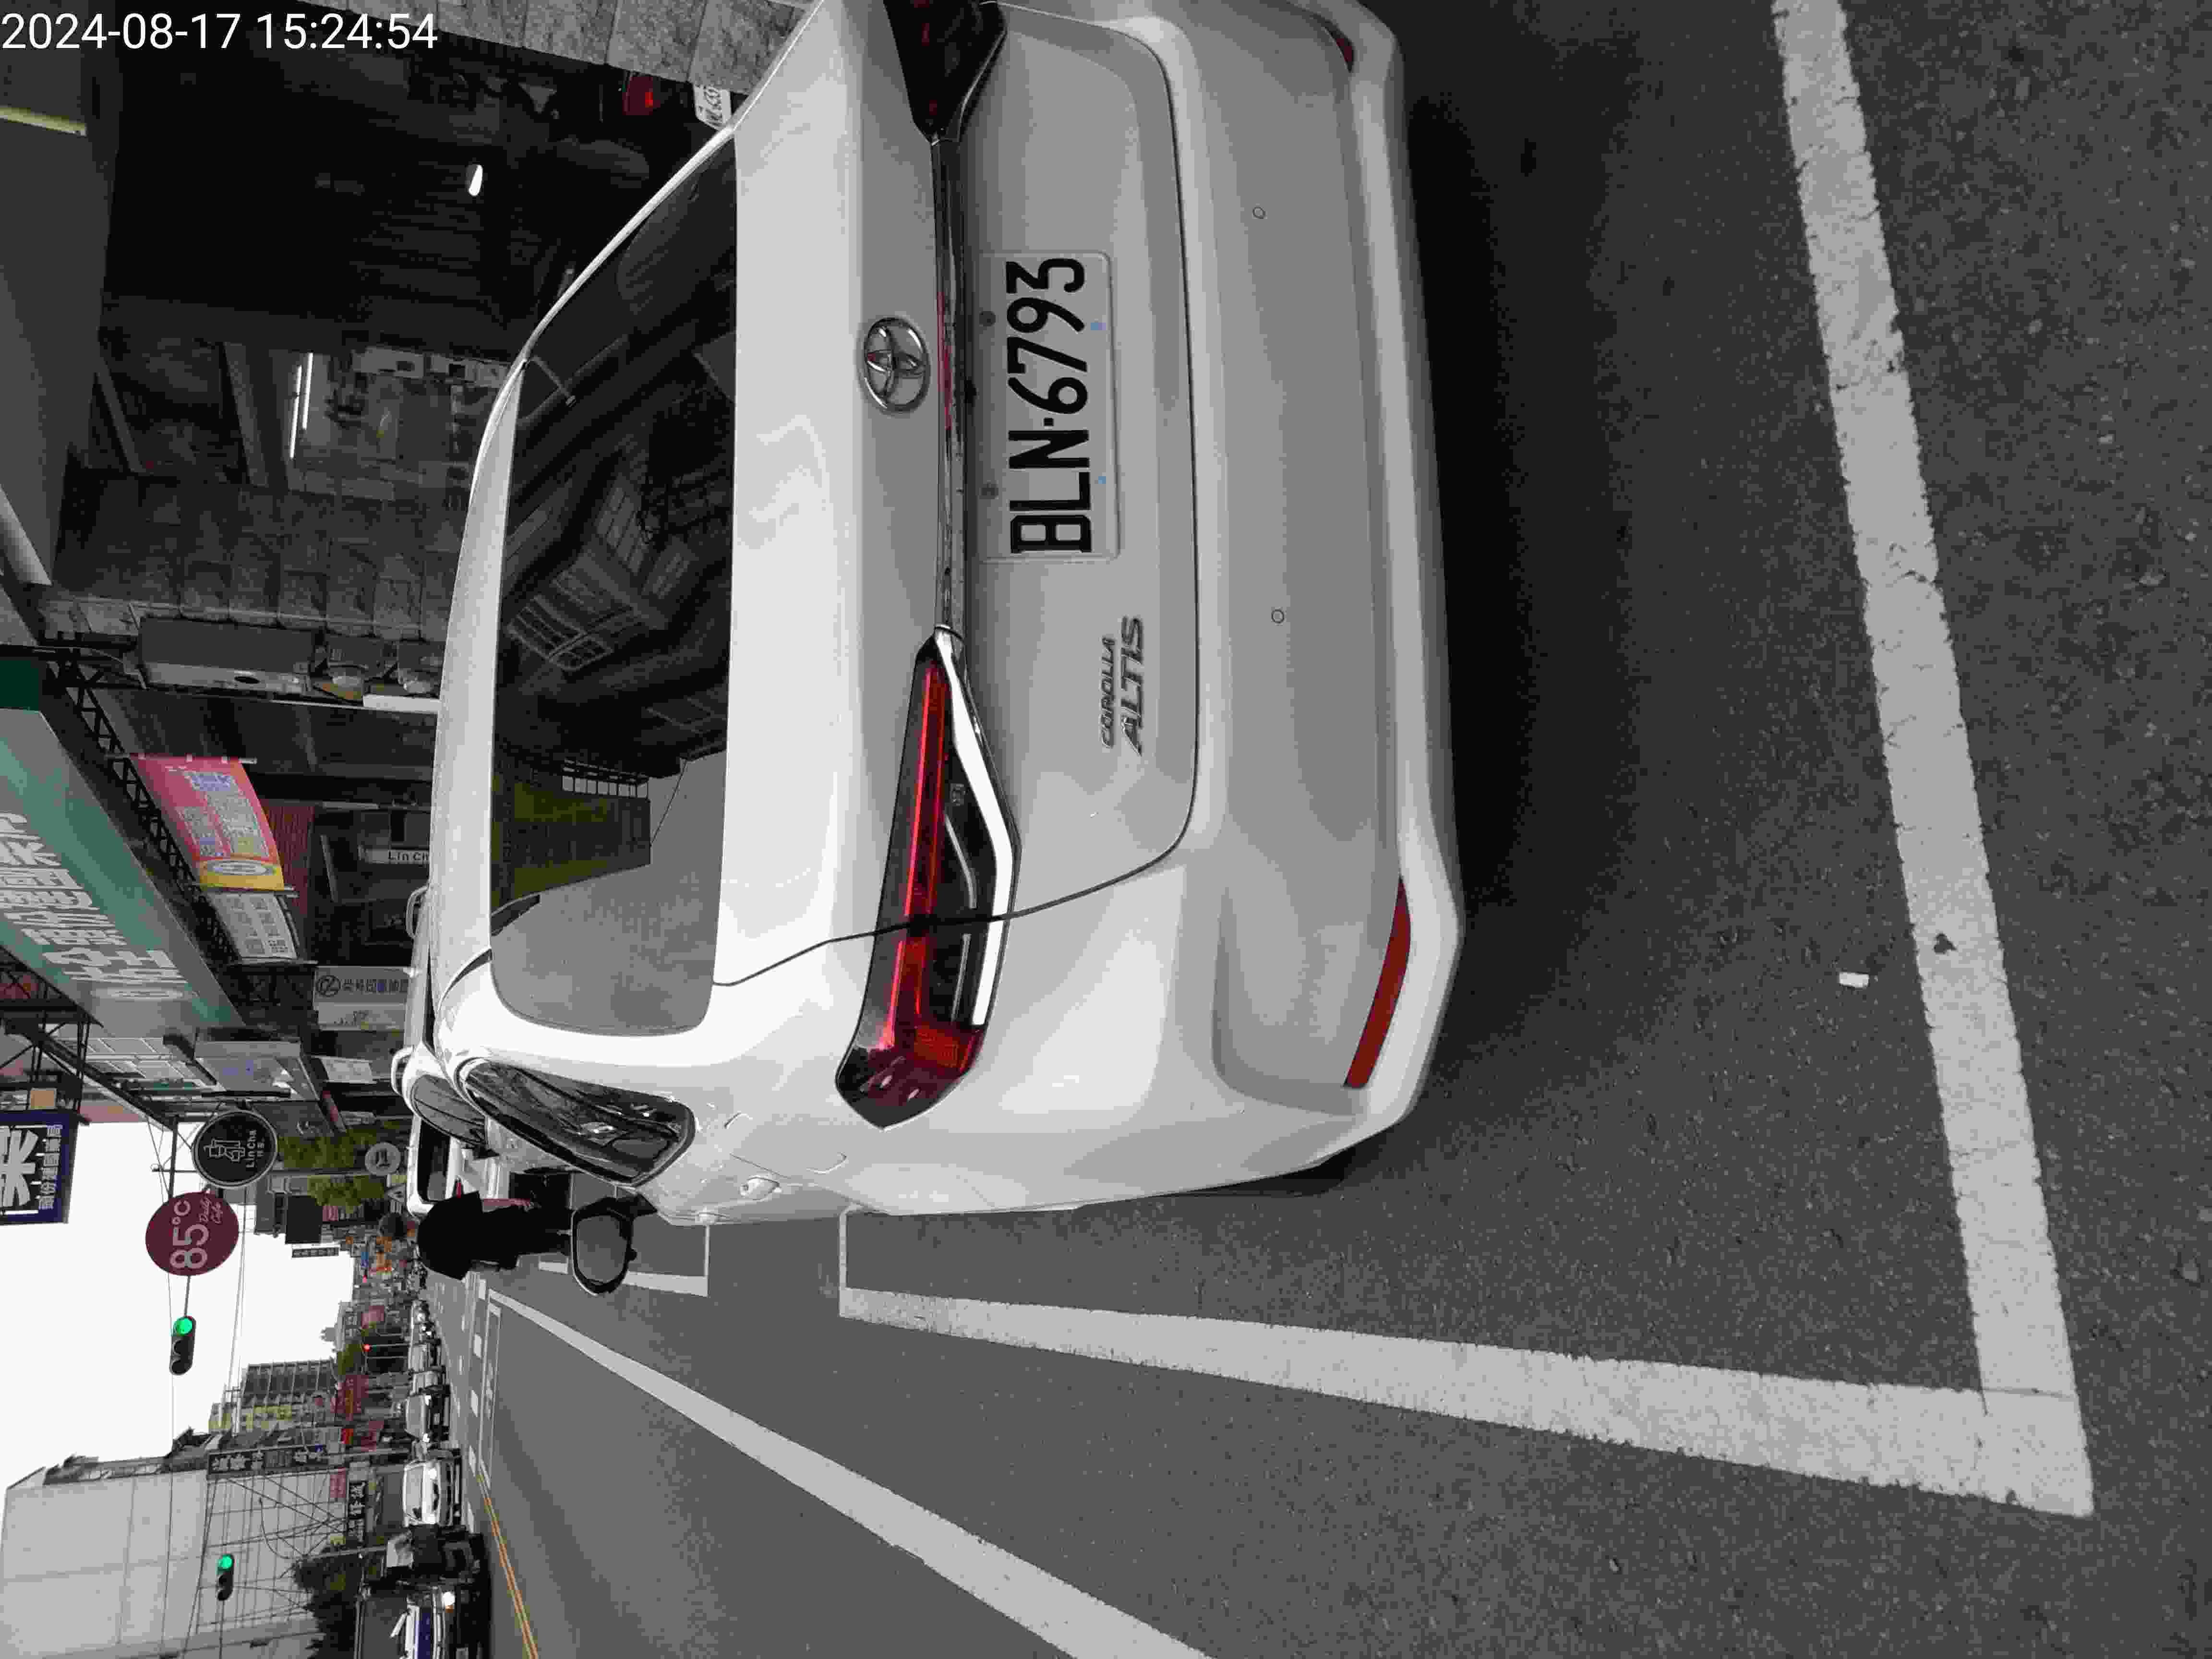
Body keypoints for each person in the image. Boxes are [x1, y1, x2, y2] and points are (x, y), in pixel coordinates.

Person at [413, 1186, 573, 1282]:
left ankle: (581, 1248)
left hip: (504, 1248)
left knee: (557, 1244)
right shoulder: (436, 1214)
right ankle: (585, 1220)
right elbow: (482, 1204)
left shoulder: (430, 1259)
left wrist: (496, 1268)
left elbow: (472, 1266)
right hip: (508, 1220)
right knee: (563, 1219)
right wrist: (514, 1202)